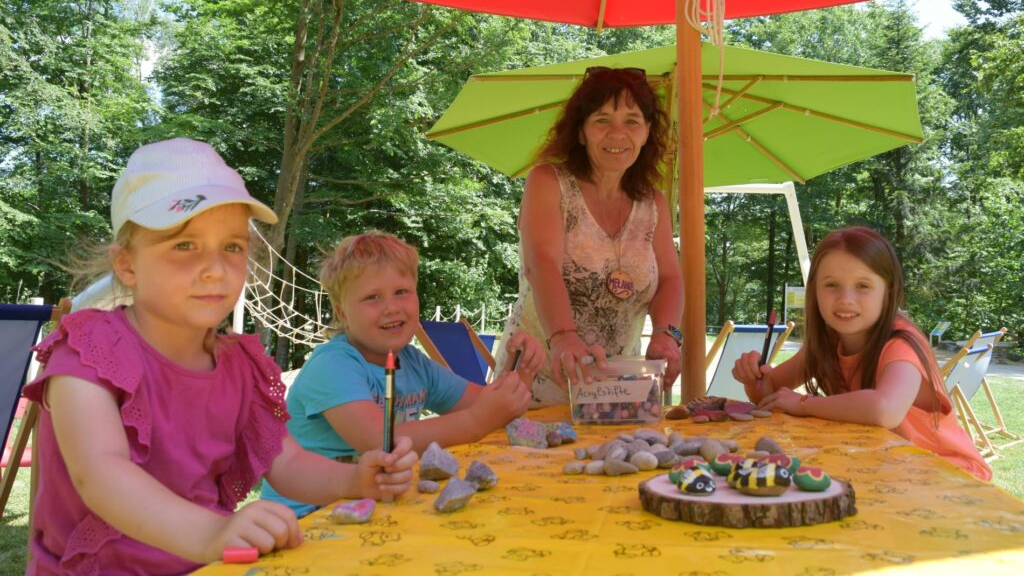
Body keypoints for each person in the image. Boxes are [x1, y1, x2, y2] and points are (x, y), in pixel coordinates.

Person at [24, 139, 418, 575]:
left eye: (231, 247)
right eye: (184, 245)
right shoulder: (90, 349)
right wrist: (211, 533)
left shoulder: (240, 366)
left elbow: (286, 461)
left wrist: (355, 479)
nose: (215, 268)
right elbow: (100, 473)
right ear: (127, 265)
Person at [261, 231, 544, 516]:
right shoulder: (332, 365)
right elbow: (379, 441)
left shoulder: (413, 363)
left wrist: (522, 368)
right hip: (302, 519)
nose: (391, 308)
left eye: (401, 292)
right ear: (342, 313)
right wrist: (475, 422)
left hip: (368, 510)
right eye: (372, 297)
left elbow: (493, 407)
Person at [732, 226, 991, 481]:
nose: (846, 298)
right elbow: (771, 394)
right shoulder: (828, 342)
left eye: (863, 286)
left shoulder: (901, 342)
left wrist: (803, 404)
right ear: (814, 291)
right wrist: (753, 378)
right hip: (888, 470)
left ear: (888, 290)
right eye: (831, 285)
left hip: (949, 475)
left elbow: (885, 409)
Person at [493, 66, 684, 407]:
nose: (617, 133)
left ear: (646, 132)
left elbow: (670, 278)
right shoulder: (548, 182)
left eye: (631, 121)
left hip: (617, 391)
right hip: (535, 382)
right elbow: (542, 264)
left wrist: (666, 335)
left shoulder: (653, 203)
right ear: (580, 132)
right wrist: (564, 338)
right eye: (602, 120)